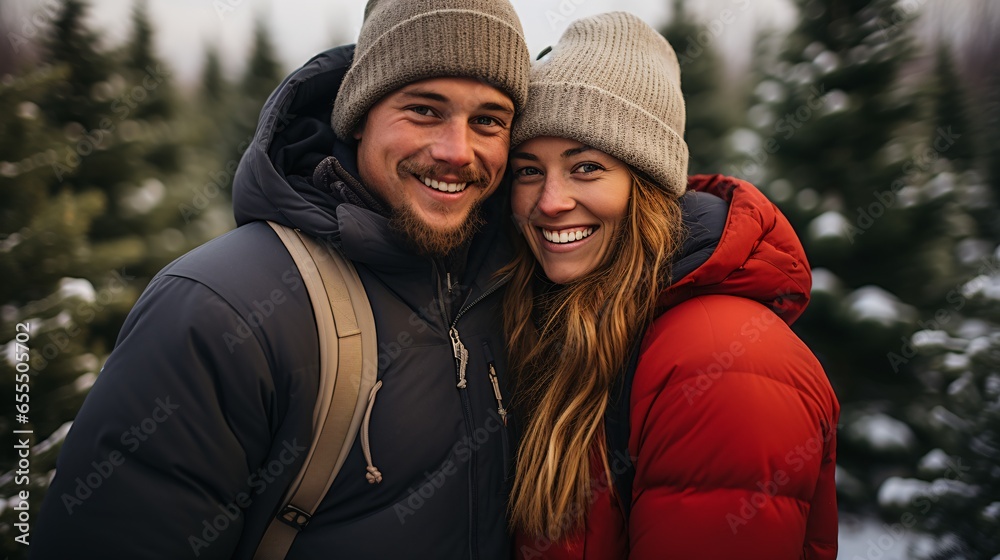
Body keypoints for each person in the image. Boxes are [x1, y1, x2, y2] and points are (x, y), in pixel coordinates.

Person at [31, 1, 530, 558]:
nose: (457, 151)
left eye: (488, 120)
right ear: (359, 115)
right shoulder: (218, 310)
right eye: (423, 110)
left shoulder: (512, 291)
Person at [502, 12, 840, 560]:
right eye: (528, 170)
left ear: (649, 186)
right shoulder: (569, 316)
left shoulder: (721, 362)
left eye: (586, 167)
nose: (550, 202)